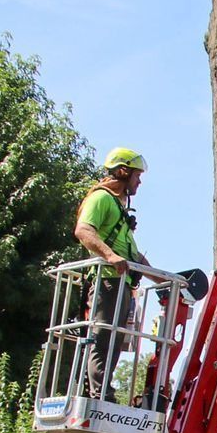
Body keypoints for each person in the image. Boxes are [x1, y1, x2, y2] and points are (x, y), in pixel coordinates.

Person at [74, 147, 149, 400]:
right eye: (137, 176)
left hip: (122, 283)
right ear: (123, 171)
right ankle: (99, 394)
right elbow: (84, 231)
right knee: (102, 337)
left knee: (114, 340)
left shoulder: (120, 211)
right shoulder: (102, 199)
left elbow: (134, 256)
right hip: (107, 281)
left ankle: (103, 390)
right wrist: (110, 256)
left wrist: (168, 280)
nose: (139, 182)